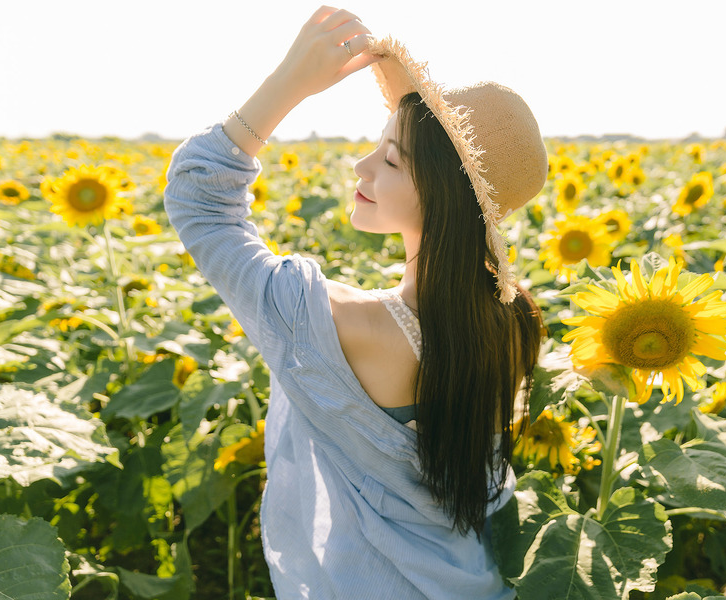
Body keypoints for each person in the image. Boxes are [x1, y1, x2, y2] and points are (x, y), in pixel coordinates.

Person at [164, 6, 547, 598]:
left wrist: (290, 81)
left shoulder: (332, 321)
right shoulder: (509, 319)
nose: (361, 165)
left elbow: (199, 196)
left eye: (391, 159)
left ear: (441, 198)